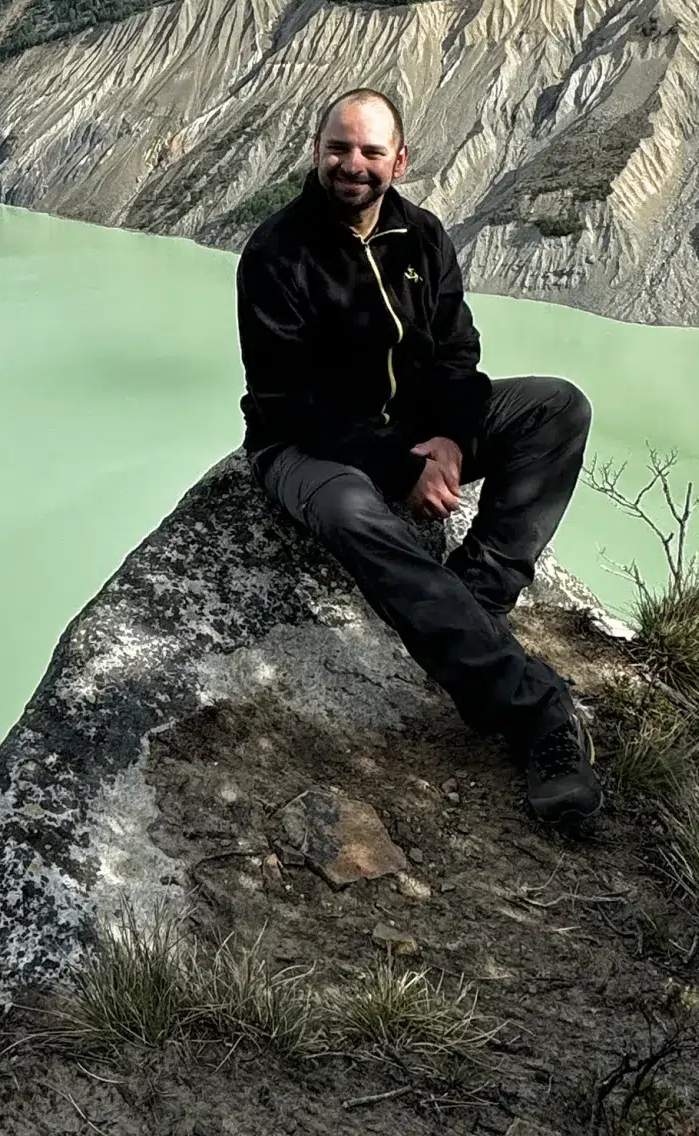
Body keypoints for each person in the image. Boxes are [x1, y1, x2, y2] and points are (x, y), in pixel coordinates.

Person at [237, 87, 602, 825]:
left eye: (371, 151)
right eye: (339, 148)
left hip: (414, 434)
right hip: (305, 447)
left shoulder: (422, 238)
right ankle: (532, 710)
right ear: (316, 152)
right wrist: (405, 469)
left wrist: (452, 441)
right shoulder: (278, 254)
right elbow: (292, 401)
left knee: (557, 407)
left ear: (399, 160)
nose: (353, 165)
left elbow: (460, 358)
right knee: (350, 511)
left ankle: (477, 599)